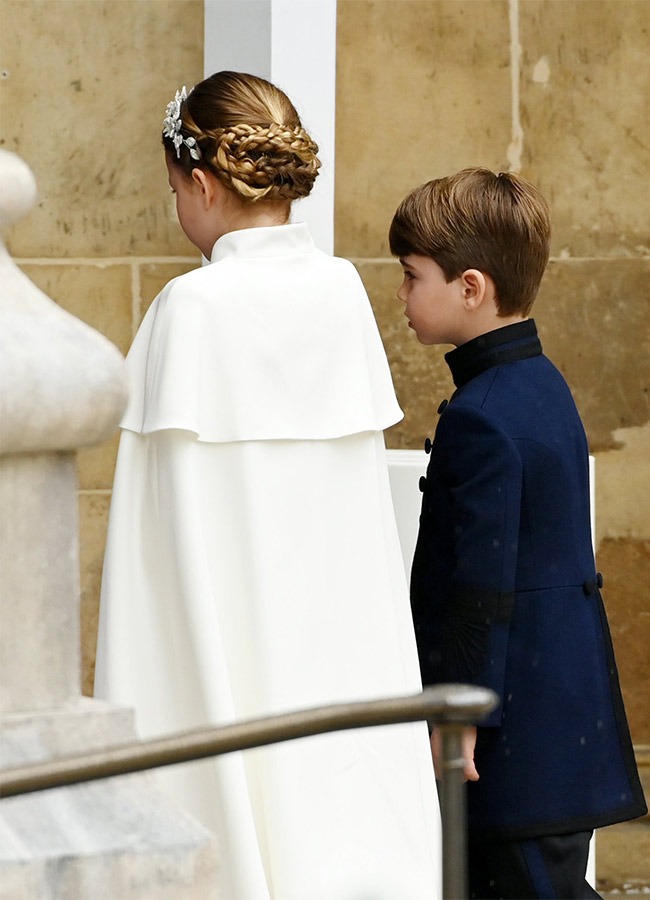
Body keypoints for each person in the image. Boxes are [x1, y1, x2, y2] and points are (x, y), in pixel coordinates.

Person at [95, 71, 440, 900]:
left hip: (232, 642)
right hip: (343, 648)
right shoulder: (342, 293)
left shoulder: (193, 308)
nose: (180, 207)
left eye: (177, 189)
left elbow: (158, 549)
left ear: (204, 185)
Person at [389, 168, 646, 900]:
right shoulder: (541, 382)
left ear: (470, 288)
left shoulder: (483, 413)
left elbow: (481, 584)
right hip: (558, 723)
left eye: (412, 277)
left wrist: (461, 713)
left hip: (514, 745)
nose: (402, 297)